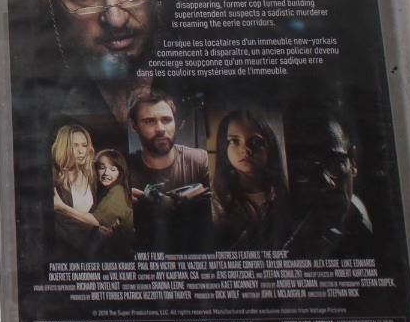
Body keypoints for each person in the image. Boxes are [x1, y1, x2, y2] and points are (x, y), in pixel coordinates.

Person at [281, 106, 373, 258]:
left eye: (335, 163)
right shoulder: (285, 243)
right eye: (306, 169)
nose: (325, 183)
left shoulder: (363, 217)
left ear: (353, 161)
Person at [126, 91, 212, 252]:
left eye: (166, 120)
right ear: (134, 126)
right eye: (149, 121)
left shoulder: (201, 160)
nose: (160, 129)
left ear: (176, 122)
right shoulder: (123, 168)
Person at [210, 109, 289, 248]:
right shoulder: (215, 198)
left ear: (269, 147)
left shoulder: (281, 192)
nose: (245, 150)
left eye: (256, 141)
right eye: (234, 141)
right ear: (224, 147)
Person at [50, 123, 100, 241]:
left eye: (84, 145)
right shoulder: (54, 178)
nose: (81, 151)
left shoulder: (92, 175)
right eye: (75, 146)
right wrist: (96, 229)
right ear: (64, 148)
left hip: (95, 246)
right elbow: (59, 225)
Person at [88, 149, 135, 252]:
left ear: (120, 172)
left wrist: (62, 207)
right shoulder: (102, 190)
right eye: (101, 168)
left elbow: (96, 220)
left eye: (113, 169)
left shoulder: (118, 190)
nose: (106, 173)